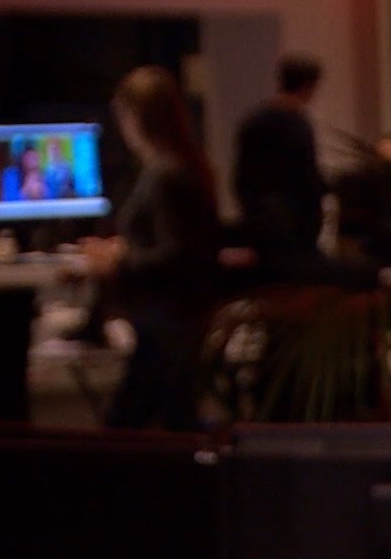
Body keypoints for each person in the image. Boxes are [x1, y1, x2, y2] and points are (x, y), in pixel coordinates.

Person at [83, 65, 223, 431]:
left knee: (130, 423)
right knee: (165, 419)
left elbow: (176, 254)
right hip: (179, 318)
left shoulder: (163, 174)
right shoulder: (185, 164)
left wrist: (117, 261)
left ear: (135, 117)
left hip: (164, 320)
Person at [233, 54, 327, 279]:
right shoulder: (298, 126)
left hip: (261, 222)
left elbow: (240, 177)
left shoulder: (253, 120)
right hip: (295, 226)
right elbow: (307, 179)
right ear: (308, 86)